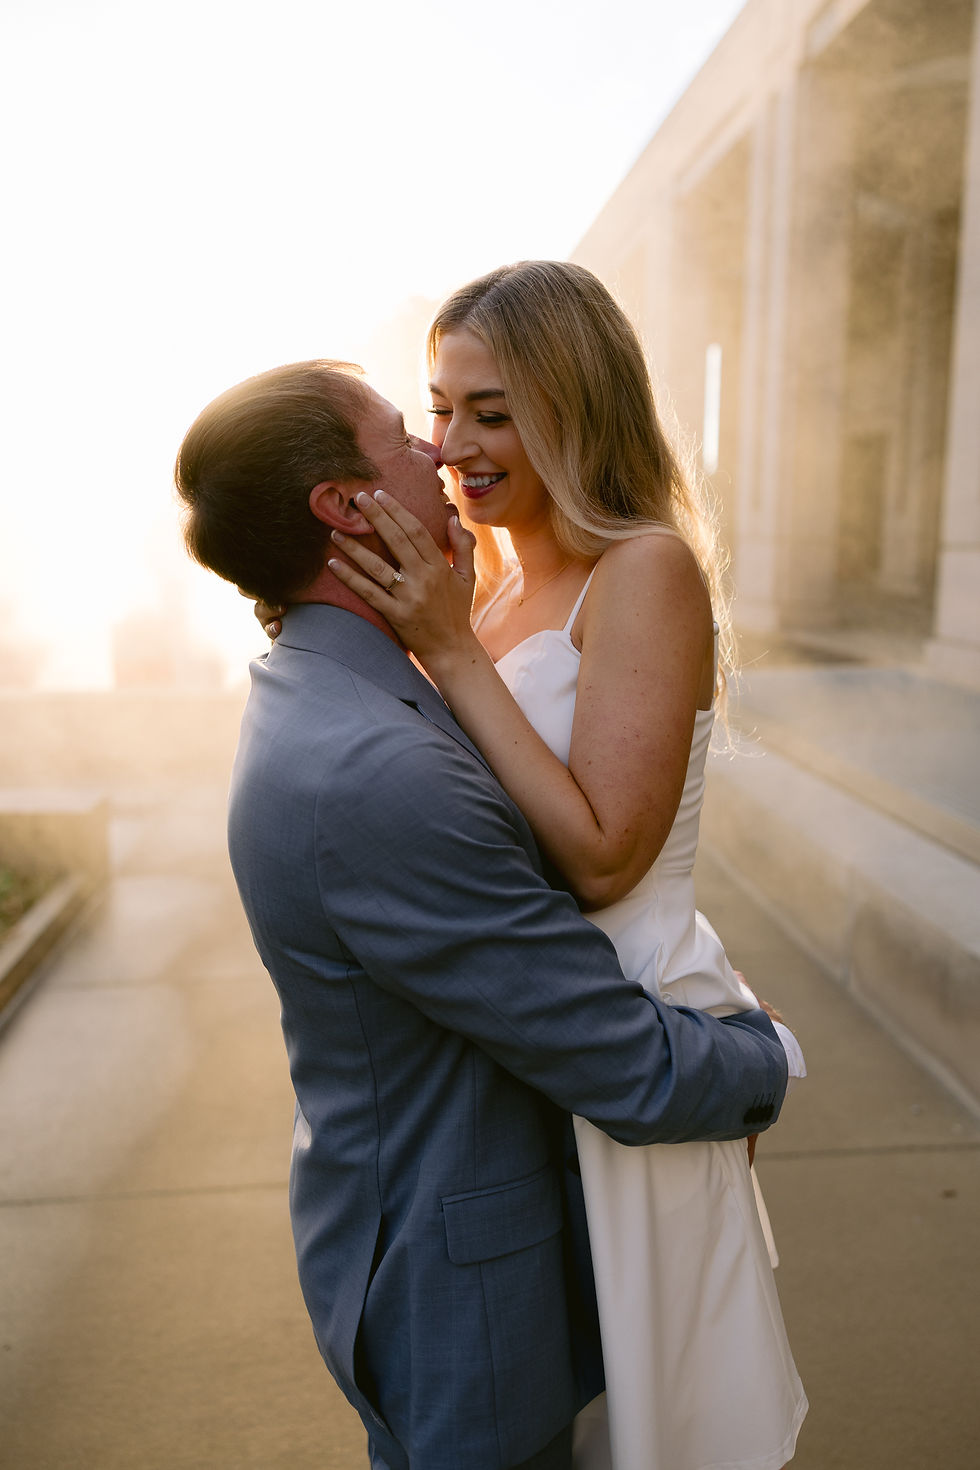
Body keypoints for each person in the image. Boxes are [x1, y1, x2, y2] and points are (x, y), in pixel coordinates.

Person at [173, 358, 790, 1470]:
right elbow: (615, 1059)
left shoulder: (331, 683)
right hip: (460, 1281)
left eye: (467, 418)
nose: (440, 452)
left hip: (437, 1226)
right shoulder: (373, 765)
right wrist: (761, 1057)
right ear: (342, 507)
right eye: (409, 433)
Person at [318, 261, 808, 1470]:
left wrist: (448, 652)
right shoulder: (483, 592)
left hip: (626, 1018)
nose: (450, 445)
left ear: (575, 404)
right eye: (439, 409)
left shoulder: (641, 571)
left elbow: (599, 859)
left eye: (491, 410)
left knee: (641, 1420)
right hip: (525, 1035)